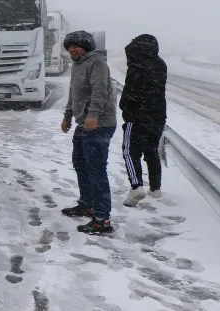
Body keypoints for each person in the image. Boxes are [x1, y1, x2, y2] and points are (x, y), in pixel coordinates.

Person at [60, 30, 118, 235]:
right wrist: (68, 116)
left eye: (75, 46)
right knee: (80, 164)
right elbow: (73, 94)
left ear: (86, 46)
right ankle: (87, 204)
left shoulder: (96, 62)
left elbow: (100, 91)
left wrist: (93, 115)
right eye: (69, 46)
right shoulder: (77, 65)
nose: (71, 49)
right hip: (83, 124)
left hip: (99, 124)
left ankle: (102, 219)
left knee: (96, 169)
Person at [119, 34, 167, 206]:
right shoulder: (160, 64)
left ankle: (136, 186)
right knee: (151, 150)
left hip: (136, 115)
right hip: (157, 115)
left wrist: (124, 106)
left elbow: (130, 91)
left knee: (129, 151)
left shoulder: (137, 66)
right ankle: (155, 188)